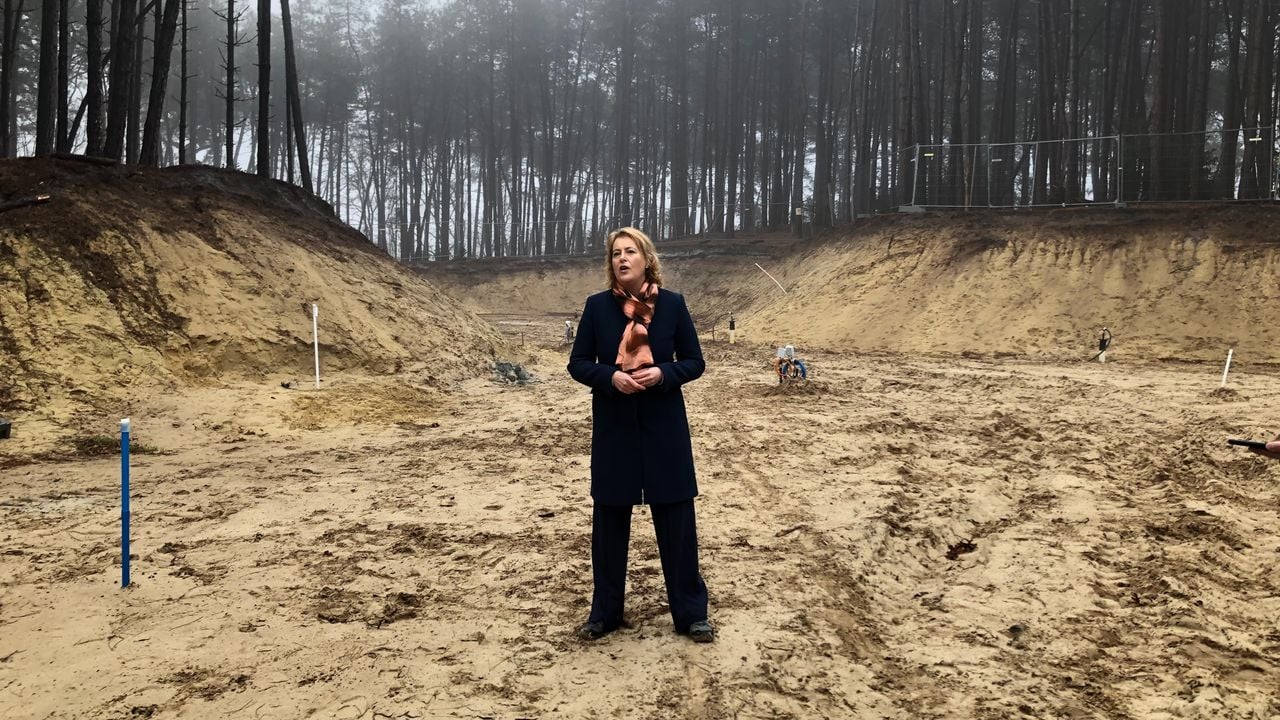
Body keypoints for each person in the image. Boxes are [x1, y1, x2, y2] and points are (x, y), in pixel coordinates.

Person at [567, 226, 713, 643]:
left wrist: (663, 373)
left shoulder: (672, 305)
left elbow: (694, 361)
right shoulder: (596, 308)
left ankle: (691, 613)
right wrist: (611, 377)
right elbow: (578, 364)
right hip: (615, 428)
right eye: (615, 253)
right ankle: (605, 613)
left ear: (647, 259)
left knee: (678, 524)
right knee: (610, 523)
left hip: (665, 427)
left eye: (630, 251)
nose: (622, 258)